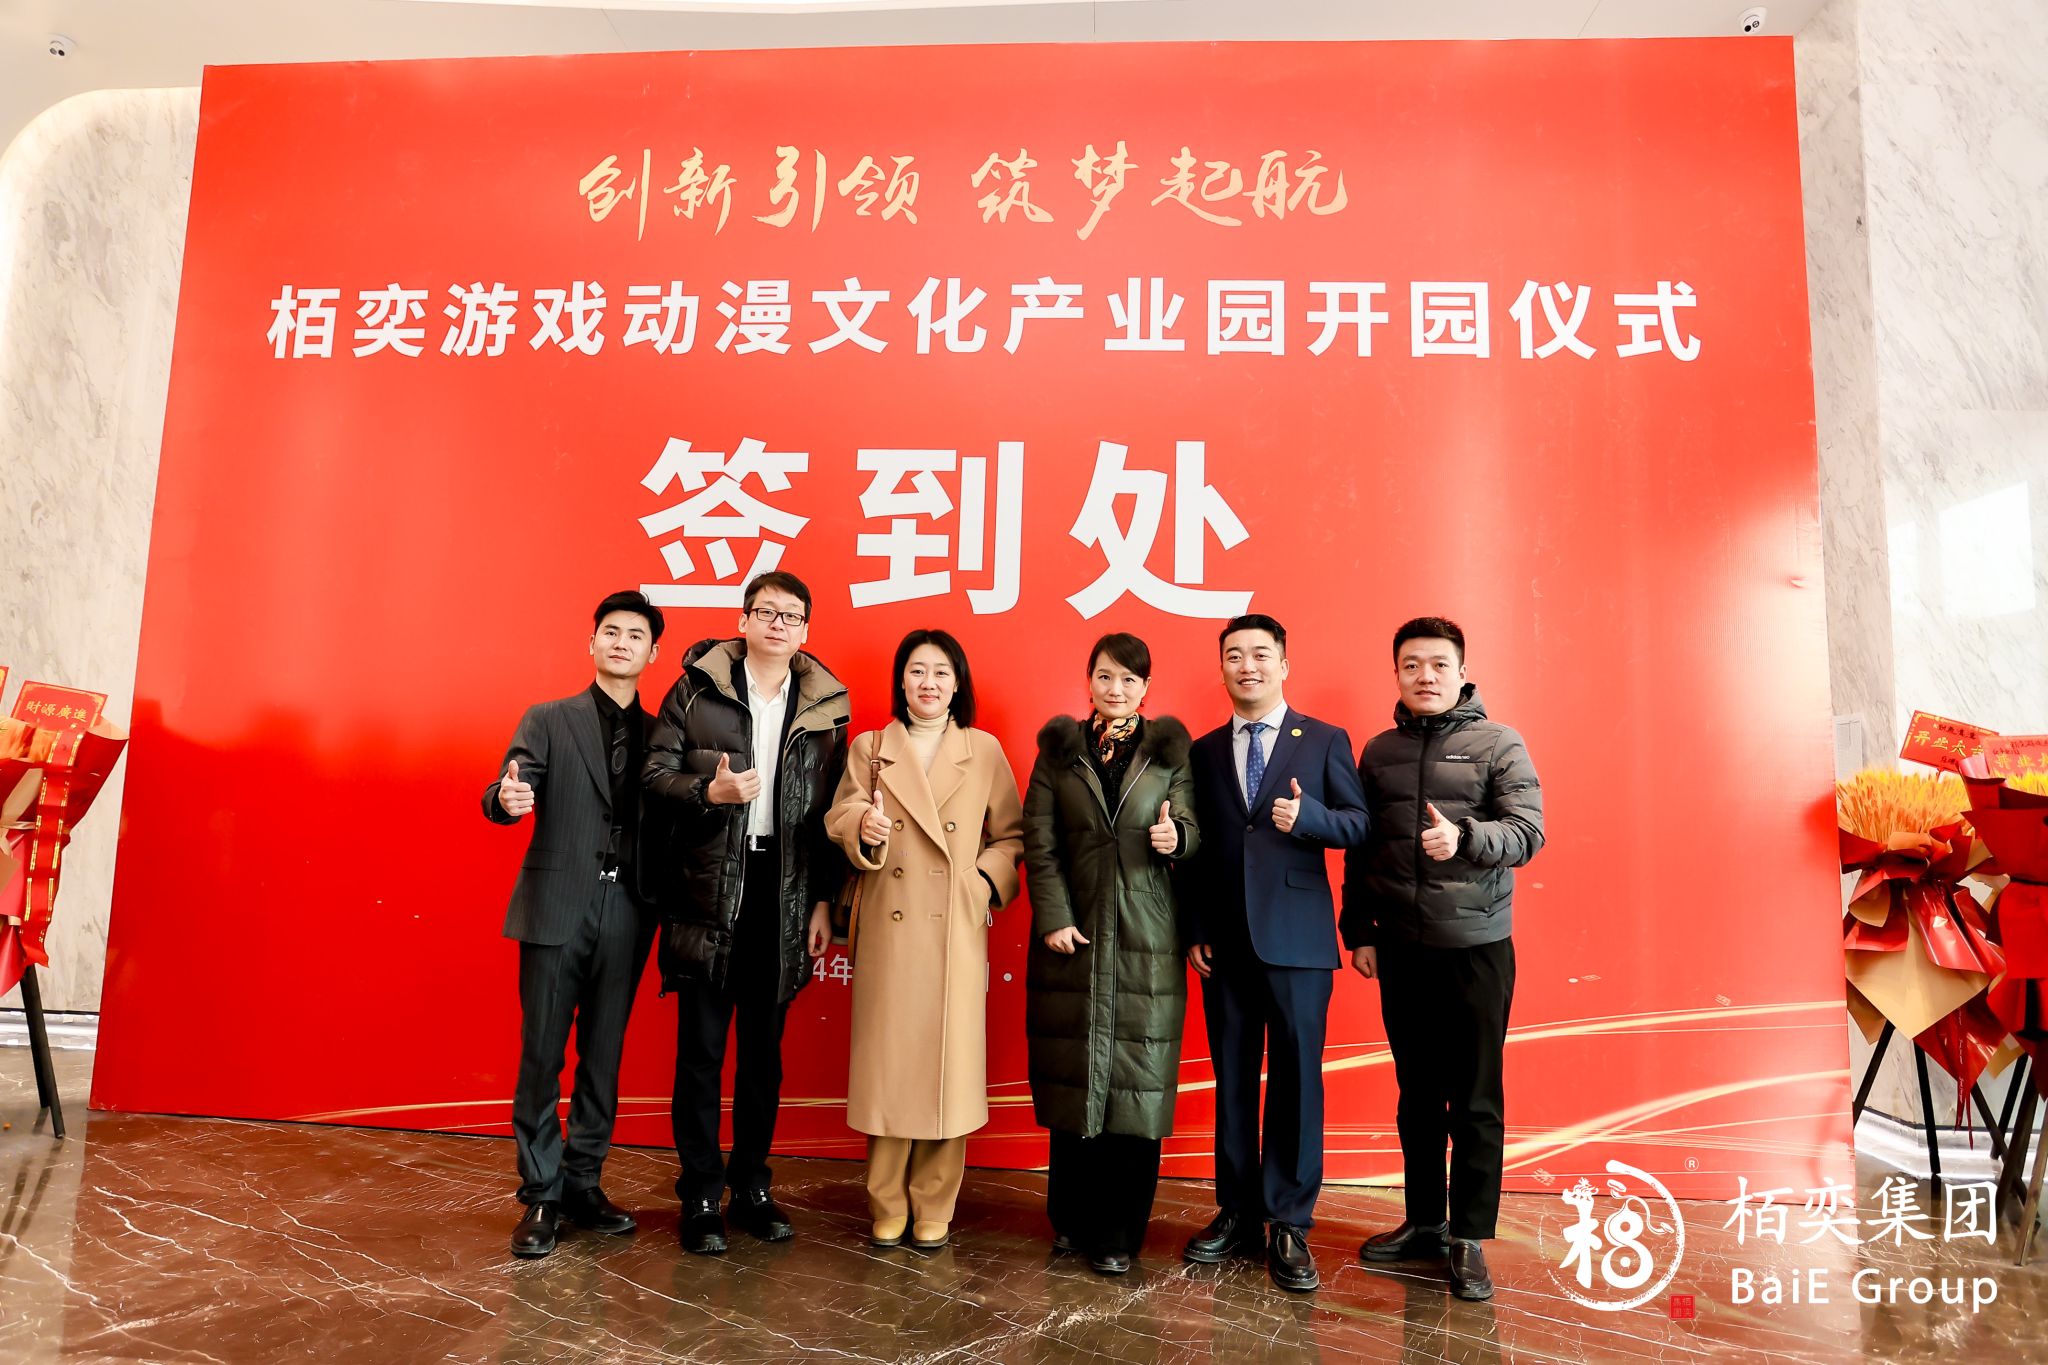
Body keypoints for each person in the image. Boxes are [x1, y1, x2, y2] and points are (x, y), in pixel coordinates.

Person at [641, 571, 851, 1255]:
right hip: (708, 885)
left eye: (791, 615)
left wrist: (823, 901)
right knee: (701, 1052)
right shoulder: (695, 689)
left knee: (763, 1055)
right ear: (744, 619)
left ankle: (752, 1187)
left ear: (805, 630)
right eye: (766, 612)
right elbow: (653, 775)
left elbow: (829, 816)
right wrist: (710, 792)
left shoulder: (825, 710)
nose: (777, 624)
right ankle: (701, 1194)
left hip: (783, 891)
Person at [1343, 617, 1543, 1302]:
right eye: (1411, 665)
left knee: (1476, 1097)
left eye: (1437, 664)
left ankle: (1469, 1237)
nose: (1424, 676)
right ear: (1396, 673)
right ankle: (1426, 1221)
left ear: (1462, 671)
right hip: (1402, 949)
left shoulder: (1498, 743)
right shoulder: (1380, 752)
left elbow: (1527, 831)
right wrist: (1359, 931)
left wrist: (1464, 838)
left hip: (1476, 949)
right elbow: (1362, 849)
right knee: (1417, 1096)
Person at [1182, 613, 1369, 1292]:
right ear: (1222, 668)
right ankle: (1237, 1212)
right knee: (1232, 1077)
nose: (1248, 666)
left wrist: (1309, 818)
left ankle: (1289, 1220)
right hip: (1226, 943)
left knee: (1295, 1079)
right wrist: (1195, 926)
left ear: (1284, 664)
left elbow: (1359, 825)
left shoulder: (1323, 739)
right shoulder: (1203, 751)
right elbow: (1197, 848)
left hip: (1298, 941)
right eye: (1234, 655)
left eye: (1261, 654)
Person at [825, 629, 1024, 1251]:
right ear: (901, 681)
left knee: (949, 1070)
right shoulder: (871, 747)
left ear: (957, 683)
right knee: (888, 1069)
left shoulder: (983, 749)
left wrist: (978, 884)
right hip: (890, 928)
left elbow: (1012, 836)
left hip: (953, 930)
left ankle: (935, 1201)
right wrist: (863, 824)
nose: (928, 682)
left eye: (940, 671)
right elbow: (837, 815)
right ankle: (886, 1200)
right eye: (917, 670)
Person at [484, 590, 665, 1259]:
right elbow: (506, 787)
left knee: (604, 1054)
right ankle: (541, 1193)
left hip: (630, 908)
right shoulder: (549, 718)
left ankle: (584, 1181)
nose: (621, 642)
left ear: (653, 653)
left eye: (635, 635)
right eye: (610, 631)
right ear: (591, 643)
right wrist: (507, 798)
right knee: (542, 1052)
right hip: (557, 904)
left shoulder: (663, 734)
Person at [1021, 632, 1200, 1276]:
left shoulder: (1169, 752)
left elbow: (1193, 829)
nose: (1115, 688)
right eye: (1104, 676)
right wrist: (1054, 917)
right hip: (1072, 934)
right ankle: (1071, 1221)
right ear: (1088, 679)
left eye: (1128, 679)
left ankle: (1120, 1232)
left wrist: (1176, 837)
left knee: (1136, 1084)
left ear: (1146, 687)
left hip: (1147, 934)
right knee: (1076, 1081)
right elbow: (1039, 842)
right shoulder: (1059, 750)